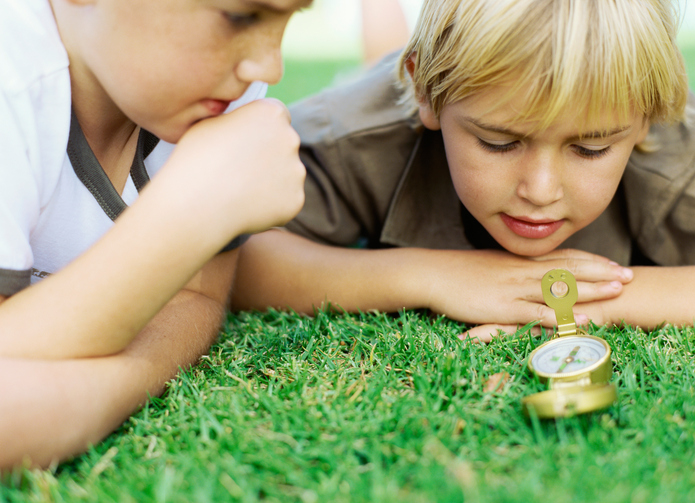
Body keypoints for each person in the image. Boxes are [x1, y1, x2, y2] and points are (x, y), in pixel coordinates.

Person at [230, 0, 695, 342]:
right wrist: (433, 276)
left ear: (647, 117)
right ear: (427, 94)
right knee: (374, 67)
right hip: (384, 99)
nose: (540, 189)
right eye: (499, 142)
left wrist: (592, 301)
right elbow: (231, 255)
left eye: (590, 149)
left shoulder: (677, 151)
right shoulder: (351, 136)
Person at [0, 0, 309, 469]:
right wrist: (192, 210)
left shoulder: (216, 92)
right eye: (241, 16)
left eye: (289, 20)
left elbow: (197, 294)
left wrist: (92, 394)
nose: (270, 65)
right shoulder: (13, 75)